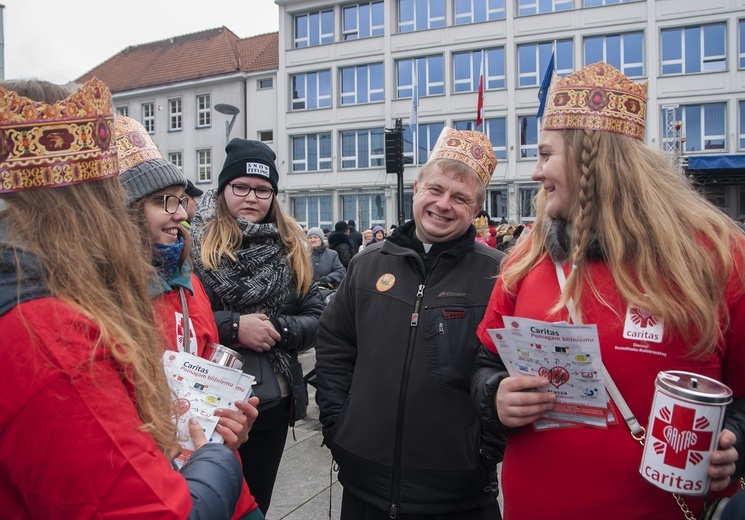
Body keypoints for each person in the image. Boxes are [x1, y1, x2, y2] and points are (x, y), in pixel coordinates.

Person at [471, 63, 745, 519]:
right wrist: (496, 395)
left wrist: (733, 444)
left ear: (589, 160)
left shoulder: (716, 257)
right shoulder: (527, 257)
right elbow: (485, 363)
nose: (535, 172)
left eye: (544, 155)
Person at [0, 79, 246, 518]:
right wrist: (217, 460)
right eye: (110, 197)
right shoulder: (50, 336)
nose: (180, 213)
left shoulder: (52, 302)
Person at [315, 128, 506, 519]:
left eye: (460, 198)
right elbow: (335, 346)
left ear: (475, 210)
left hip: (458, 493)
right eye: (435, 189)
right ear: (417, 188)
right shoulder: (366, 265)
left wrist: (485, 450)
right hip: (364, 483)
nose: (443, 204)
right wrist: (338, 425)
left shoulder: (499, 276)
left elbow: (508, 368)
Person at [116, 116, 263, 520]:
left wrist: (227, 425)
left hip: (216, 482)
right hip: (144, 490)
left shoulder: (191, 285)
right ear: (121, 211)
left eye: (182, 199)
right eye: (163, 201)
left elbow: (201, 369)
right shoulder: (101, 297)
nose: (180, 213)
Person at [191, 138, 325, 516]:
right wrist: (234, 327)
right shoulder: (193, 245)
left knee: (257, 502)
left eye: (263, 189)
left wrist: (275, 329)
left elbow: (317, 319)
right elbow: (178, 317)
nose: (252, 196)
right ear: (224, 189)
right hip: (208, 400)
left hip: (271, 402)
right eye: (241, 187)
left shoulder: (293, 247)